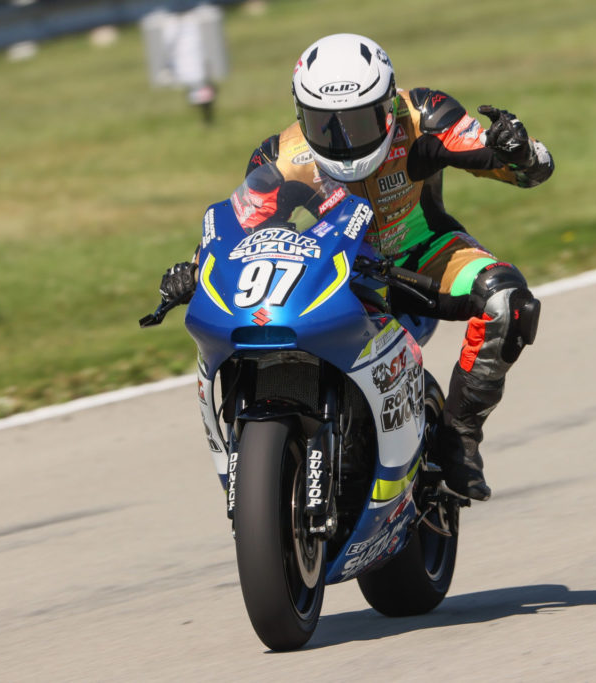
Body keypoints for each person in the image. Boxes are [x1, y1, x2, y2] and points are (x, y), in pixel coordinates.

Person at [160, 33, 554, 501]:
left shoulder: (426, 115)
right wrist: (196, 268)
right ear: (300, 113)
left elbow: (530, 171)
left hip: (426, 254)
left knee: (509, 303)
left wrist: (520, 150)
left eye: (360, 121)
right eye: (326, 125)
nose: (344, 140)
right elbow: (240, 229)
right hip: (339, 267)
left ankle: (460, 437)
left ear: (388, 103)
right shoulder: (282, 155)